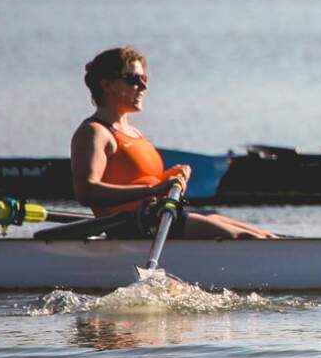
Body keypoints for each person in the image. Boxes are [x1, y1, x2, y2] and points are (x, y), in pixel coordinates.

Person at [68, 46, 275, 240]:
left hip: (159, 215)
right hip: (132, 225)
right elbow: (87, 192)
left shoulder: (134, 133)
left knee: (262, 235)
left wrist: (169, 178)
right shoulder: (94, 132)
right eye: (134, 79)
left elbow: (138, 182)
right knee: (244, 238)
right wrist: (152, 189)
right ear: (107, 85)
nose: (144, 86)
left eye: (145, 78)